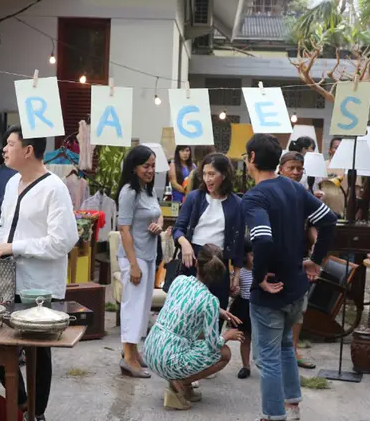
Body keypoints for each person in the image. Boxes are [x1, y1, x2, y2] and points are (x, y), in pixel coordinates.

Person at [0, 125, 78, 421]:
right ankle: (21, 399)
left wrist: (14, 247)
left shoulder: (54, 188)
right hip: (6, 280)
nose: (4, 150)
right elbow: (6, 226)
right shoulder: (11, 184)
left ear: (28, 150)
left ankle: (37, 412)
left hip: (39, 285)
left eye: (10, 144)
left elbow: (63, 241)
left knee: (37, 351)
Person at [243, 133, 337, 421]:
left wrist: (258, 277)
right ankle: (292, 406)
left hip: (271, 293)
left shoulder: (254, 196)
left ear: (253, 159)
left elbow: (263, 239)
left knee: (267, 357)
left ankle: (273, 416)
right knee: (285, 346)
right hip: (297, 288)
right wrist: (315, 261)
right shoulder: (293, 188)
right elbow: (329, 219)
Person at [143, 243, 245, 410]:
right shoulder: (210, 301)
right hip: (169, 359)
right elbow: (213, 345)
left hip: (151, 350)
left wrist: (218, 311)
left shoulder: (180, 281)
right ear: (218, 274)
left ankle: (186, 388)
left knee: (194, 335)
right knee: (223, 353)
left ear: (197, 262)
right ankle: (179, 384)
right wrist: (228, 335)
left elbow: (189, 303)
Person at [173, 153, 246, 319]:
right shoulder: (194, 198)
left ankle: (212, 344)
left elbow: (239, 243)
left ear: (225, 174)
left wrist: (236, 276)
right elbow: (178, 228)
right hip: (192, 260)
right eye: (204, 174)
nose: (207, 179)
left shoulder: (237, 204)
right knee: (187, 315)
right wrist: (184, 243)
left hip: (219, 263)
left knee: (214, 314)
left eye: (212, 174)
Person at [115, 145, 163, 379]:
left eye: (153, 166)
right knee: (132, 307)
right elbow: (124, 230)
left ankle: (134, 352)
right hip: (134, 258)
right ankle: (128, 357)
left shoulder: (149, 190)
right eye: (146, 166)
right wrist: (133, 264)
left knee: (143, 309)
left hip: (149, 255)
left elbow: (157, 212)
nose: (150, 170)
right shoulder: (129, 192)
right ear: (134, 167)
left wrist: (159, 224)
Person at [278, 151, 319, 370]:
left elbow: (313, 224)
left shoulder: (306, 195)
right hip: (276, 258)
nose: (295, 172)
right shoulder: (272, 191)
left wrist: (317, 246)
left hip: (300, 258)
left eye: (299, 168)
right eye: (291, 167)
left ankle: (292, 350)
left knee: (299, 306)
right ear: (280, 168)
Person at [229, 240, 254, 379]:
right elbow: (232, 293)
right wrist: (234, 290)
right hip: (244, 306)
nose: (254, 257)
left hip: (260, 306)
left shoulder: (264, 271)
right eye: (251, 254)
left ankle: (266, 364)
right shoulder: (241, 272)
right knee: (245, 339)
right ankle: (246, 366)